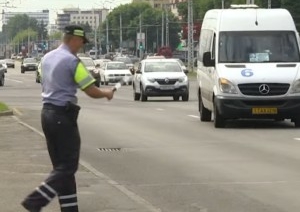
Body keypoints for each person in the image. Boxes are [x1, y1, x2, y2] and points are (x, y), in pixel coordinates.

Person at [21, 25, 114, 212]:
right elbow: (90, 89)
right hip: (63, 117)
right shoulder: (72, 61)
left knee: (61, 169)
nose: (81, 46)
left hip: (47, 114)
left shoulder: (47, 57)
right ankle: (36, 200)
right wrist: (106, 93)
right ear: (73, 39)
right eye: (81, 42)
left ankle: (70, 209)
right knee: (68, 167)